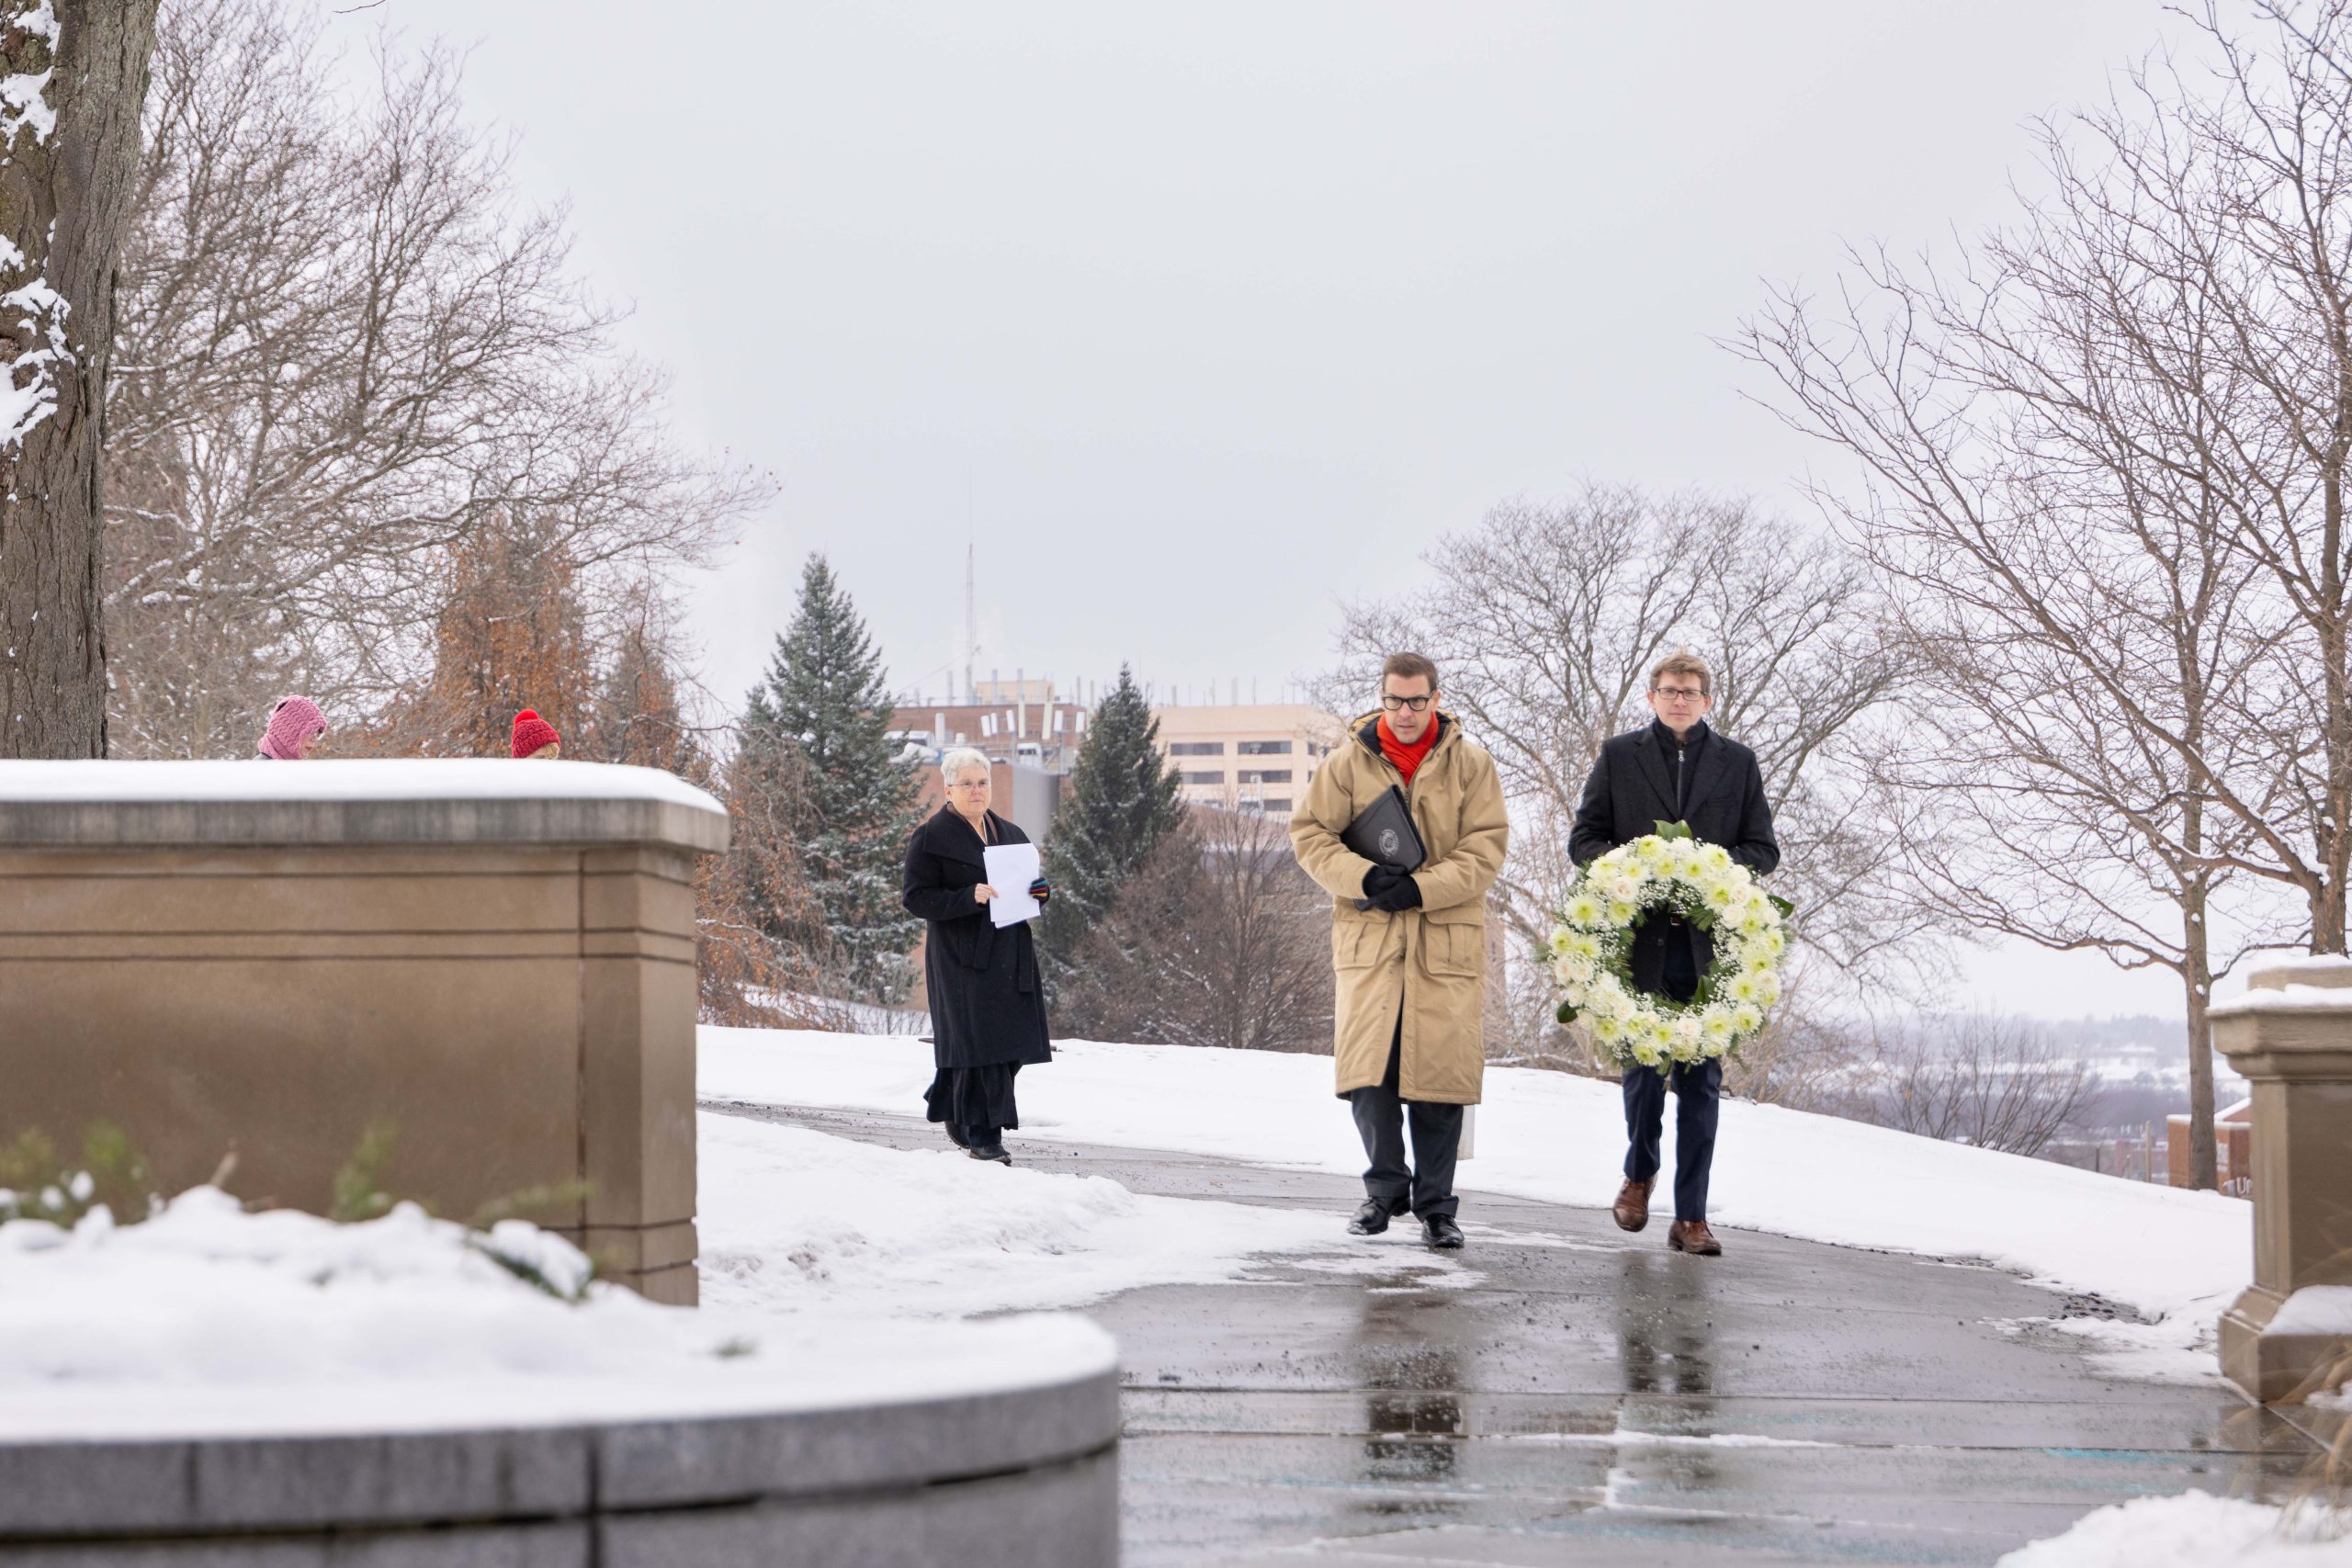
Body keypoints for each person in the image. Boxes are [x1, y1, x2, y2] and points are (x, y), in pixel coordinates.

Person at [1291, 652, 1508, 1251]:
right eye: (1395, 700)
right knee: (1369, 1075)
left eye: (1417, 700)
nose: (1406, 712)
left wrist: (1421, 887)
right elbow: (1309, 835)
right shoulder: (1347, 763)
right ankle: (1384, 1190)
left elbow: (1486, 848)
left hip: (1444, 941)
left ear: (1436, 698)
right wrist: (1361, 878)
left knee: (1439, 1079)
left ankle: (1438, 1206)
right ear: (1382, 699)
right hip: (1372, 941)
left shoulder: (1471, 764)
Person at [1569, 650, 1780, 1258]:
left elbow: (1762, 849)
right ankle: (1638, 1174)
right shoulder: (1619, 756)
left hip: (1709, 954)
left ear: (1707, 700)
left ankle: (1692, 1217)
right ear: (1652, 696)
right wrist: (1635, 873)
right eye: (1669, 690)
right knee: (1641, 1076)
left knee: (1701, 1085)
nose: (1679, 699)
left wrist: (1710, 877)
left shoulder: (1738, 764)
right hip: (1640, 947)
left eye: (1690, 691)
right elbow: (1583, 839)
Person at [902, 748, 1053, 1164]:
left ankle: (952, 1101)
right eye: (966, 784)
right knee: (983, 1047)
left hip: (1013, 954)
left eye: (982, 782)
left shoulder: (1011, 833)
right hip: (962, 959)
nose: (976, 790)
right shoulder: (931, 838)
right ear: (948, 789)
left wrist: (1041, 893)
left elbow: (1035, 887)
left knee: (1015, 1045)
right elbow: (916, 898)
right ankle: (986, 1138)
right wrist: (966, 897)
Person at [255, 696, 327, 760]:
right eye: (310, 732)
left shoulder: (293, 769)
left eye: (318, 733)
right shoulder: (258, 771)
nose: (315, 739)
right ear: (289, 731)